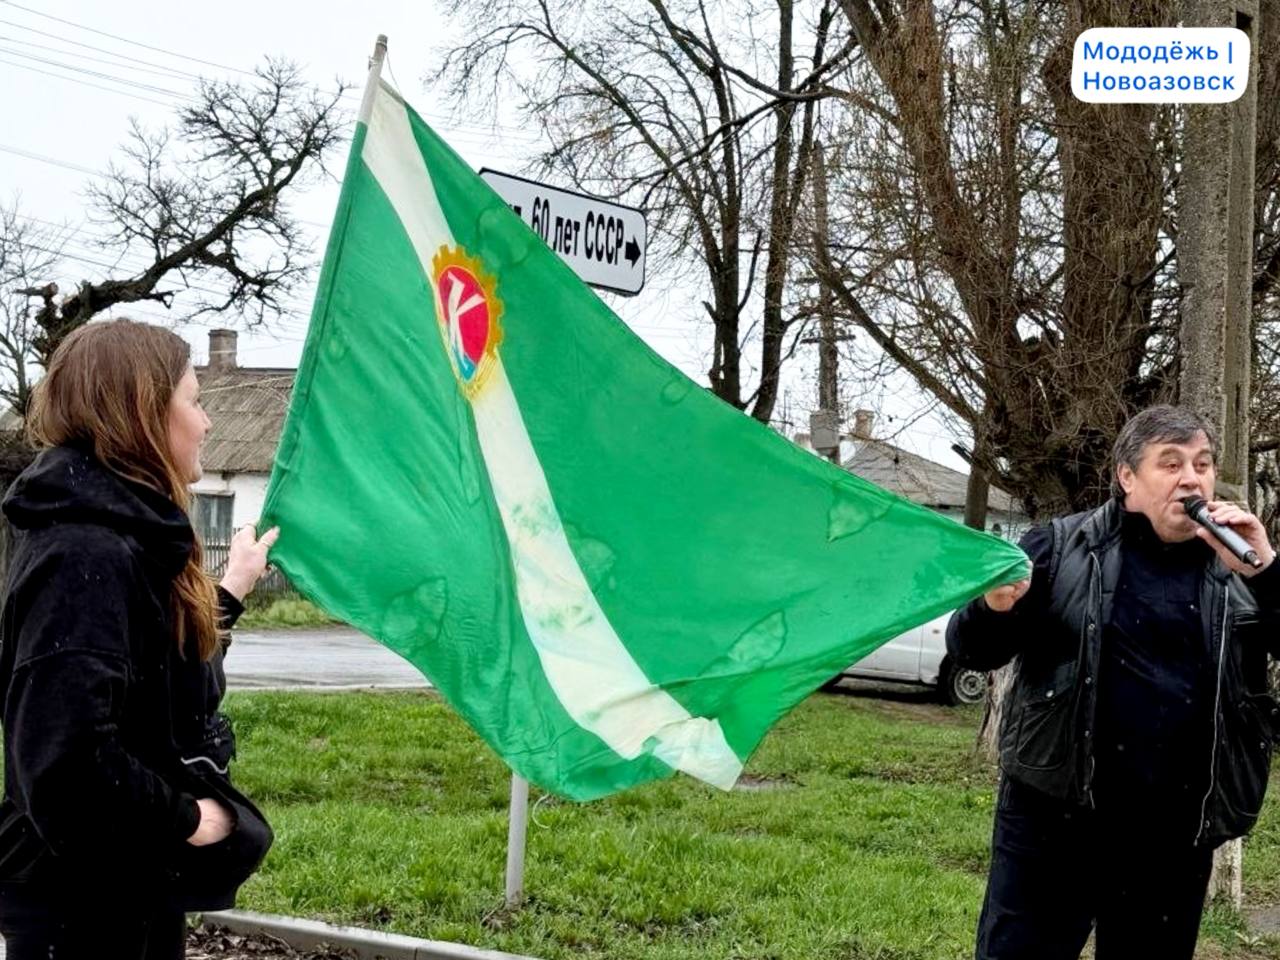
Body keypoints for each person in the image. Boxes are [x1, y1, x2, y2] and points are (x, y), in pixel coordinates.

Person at [947, 405, 1280, 959]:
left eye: (1202, 463)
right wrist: (993, 608)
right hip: (1055, 823)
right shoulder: (1059, 547)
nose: (1192, 477)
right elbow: (973, 651)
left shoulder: (1238, 563)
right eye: (1169, 464)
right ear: (1127, 477)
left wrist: (1267, 570)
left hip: (1174, 836)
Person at [0, 319, 280, 959]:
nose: (207, 422)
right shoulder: (81, 552)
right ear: (143, 412)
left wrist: (229, 590)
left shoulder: (128, 536)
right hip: (79, 902)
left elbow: (163, 684)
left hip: (124, 879)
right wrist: (185, 818)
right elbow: (63, 763)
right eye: (194, 400)